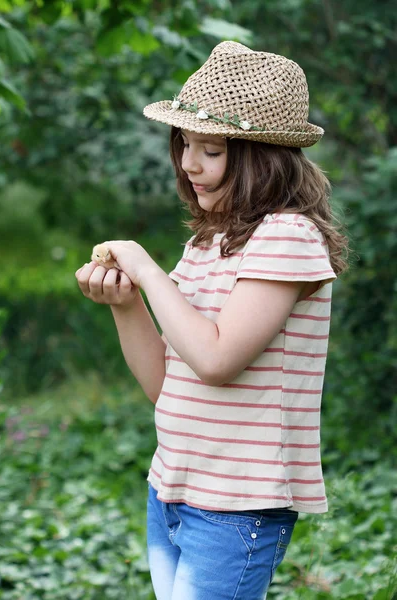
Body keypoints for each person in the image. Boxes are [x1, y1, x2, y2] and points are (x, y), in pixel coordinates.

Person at [75, 41, 348, 600]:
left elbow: (217, 360)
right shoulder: (208, 242)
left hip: (236, 507)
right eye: (185, 146)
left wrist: (147, 270)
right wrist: (127, 304)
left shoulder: (287, 236)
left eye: (212, 150)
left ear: (261, 158)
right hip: (172, 488)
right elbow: (166, 384)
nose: (187, 164)